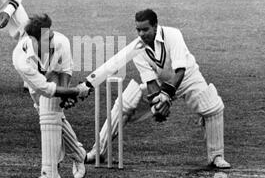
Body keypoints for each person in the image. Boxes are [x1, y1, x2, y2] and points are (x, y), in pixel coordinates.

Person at [85, 9, 231, 169]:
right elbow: (149, 81)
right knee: (124, 103)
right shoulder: (138, 48)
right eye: (138, 30)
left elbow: (180, 70)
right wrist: (158, 104)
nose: (141, 34)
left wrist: (166, 96)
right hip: (161, 84)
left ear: (155, 26)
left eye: (145, 29)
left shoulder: (173, 35)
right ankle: (98, 151)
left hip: (188, 78)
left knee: (213, 107)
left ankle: (216, 156)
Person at [13, 13, 92, 178]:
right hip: (38, 88)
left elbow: (65, 69)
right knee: (52, 119)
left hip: (55, 78)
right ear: (32, 39)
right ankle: (79, 155)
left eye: (51, 34)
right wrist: (76, 92)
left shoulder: (61, 41)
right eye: (45, 38)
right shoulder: (21, 58)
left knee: (50, 116)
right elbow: (46, 89)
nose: (51, 40)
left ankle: (50, 175)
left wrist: (66, 95)